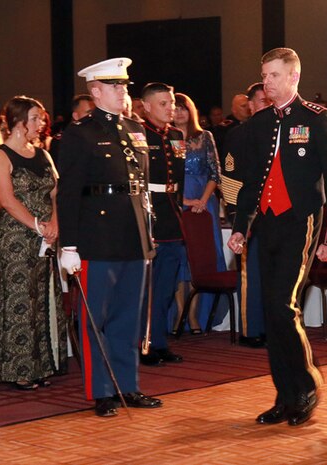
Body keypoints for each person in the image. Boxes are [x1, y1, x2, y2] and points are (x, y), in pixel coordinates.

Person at [227, 47, 327, 426]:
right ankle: (284, 394)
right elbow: (249, 184)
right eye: (264, 75)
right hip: (266, 224)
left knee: (283, 305)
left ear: (293, 77)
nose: (267, 82)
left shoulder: (317, 118)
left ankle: (307, 385)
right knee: (271, 310)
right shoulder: (260, 124)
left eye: (274, 75)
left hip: (301, 222)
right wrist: (239, 227)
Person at [57, 58, 162, 417]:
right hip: (96, 236)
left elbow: (142, 187)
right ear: (96, 91)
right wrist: (68, 245)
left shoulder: (136, 128)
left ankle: (127, 385)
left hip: (133, 233)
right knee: (95, 317)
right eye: (115, 86)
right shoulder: (78, 134)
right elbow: (68, 192)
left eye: (125, 86)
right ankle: (102, 390)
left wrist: (148, 233)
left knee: (127, 316)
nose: (123, 92)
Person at [0, 95, 68, 390]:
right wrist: (37, 225)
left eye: (42, 118)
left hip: (46, 235)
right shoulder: (1, 156)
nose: (41, 123)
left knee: (44, 297)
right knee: (21, 300)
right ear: (19, 122)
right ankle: (20, 369)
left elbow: (55, 194)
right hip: (18, 238)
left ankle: (43, 365)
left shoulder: (43, 154)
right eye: (35, 118)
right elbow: (7, 200)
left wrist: (55, 223)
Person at [220, 82, 271, 347]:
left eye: (269, 101)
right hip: (249, 216)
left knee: (274, 275)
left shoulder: (281, 131)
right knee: (250, 275)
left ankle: (272, 327)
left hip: (277, 213)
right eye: (261, 101)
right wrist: (235, 215)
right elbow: (229, 177)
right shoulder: (239, 134)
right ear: (250, 105)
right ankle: (250, 330)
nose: (266, 105)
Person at [139, 82, 185, 365]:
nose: (171, 109)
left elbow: (178, 175)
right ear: (146, 106)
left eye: (171, 103)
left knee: (167, 286)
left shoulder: (177, 134)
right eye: (163, 104)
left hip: (171, 215)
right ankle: (142, 343)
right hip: (149, 213)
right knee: (147, 287)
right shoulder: (137, 134)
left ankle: (159, 340)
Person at [173, 92, 226, 333]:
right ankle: (179, 316)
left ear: (191, 111)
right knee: (179, 262)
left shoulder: (204, 137)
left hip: (205, 204)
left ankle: (197, 316)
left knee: (202, 260)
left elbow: (216, 173)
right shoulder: (169, 138)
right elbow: (168, 178)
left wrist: (202, 200)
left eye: (184, 108)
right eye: (176, 108)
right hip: (177, 203)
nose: (179, 112)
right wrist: (185, 200)